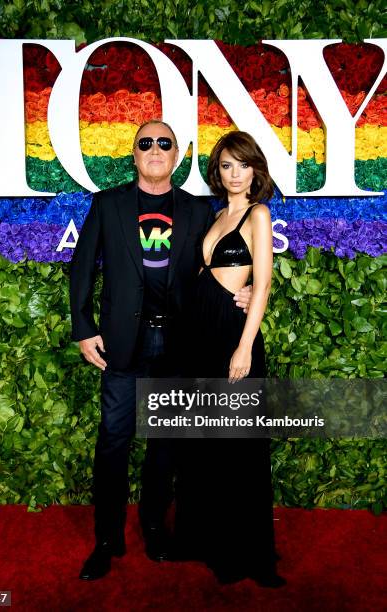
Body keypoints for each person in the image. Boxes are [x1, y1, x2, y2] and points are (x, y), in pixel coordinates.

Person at [69, 120, 253, 580]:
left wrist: (240, 292)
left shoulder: (197, 210)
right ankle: (107, 539)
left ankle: (154, 528)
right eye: (145, 143)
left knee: (165, 444)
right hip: (120, 345)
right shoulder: (108, 205)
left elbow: (218, 265)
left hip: (179, 343)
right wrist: (84, 327)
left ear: (176, 155)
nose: (154, 149)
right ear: (133, 155)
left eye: (163, 143)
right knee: (113, 440)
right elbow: (81, 270)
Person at [174, 131, 286, 587]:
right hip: (199, 332)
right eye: (226, 166)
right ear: (217, 173)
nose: (235, 173)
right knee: (207, 441)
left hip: (231, 335)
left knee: (240, 443)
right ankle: (209, 540)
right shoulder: (216, 215)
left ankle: (249, 554)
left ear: (255, 170)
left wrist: (244, 344)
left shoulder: (258, 214)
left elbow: (260, 284)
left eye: (242, 165)